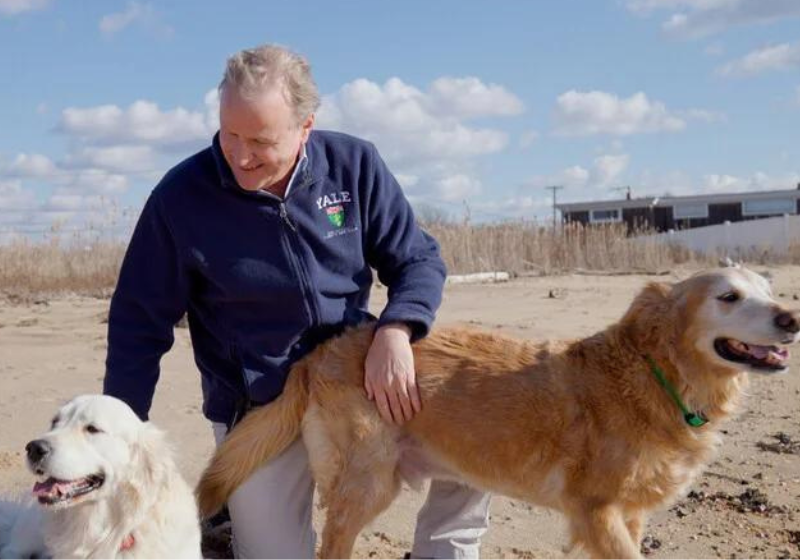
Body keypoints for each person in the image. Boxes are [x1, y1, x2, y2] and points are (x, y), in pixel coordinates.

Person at [103, 44, 491, 559]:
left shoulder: (354, 165)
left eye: (260, 140)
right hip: (264, 406)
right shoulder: (181, 198)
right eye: (229, 133)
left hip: (358, 379)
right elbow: (137, 323)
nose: (240, 156)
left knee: (480, 433)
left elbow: (418, 260)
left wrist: (397, 329)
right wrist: (118, 444)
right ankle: (232, 520)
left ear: (306, 126)